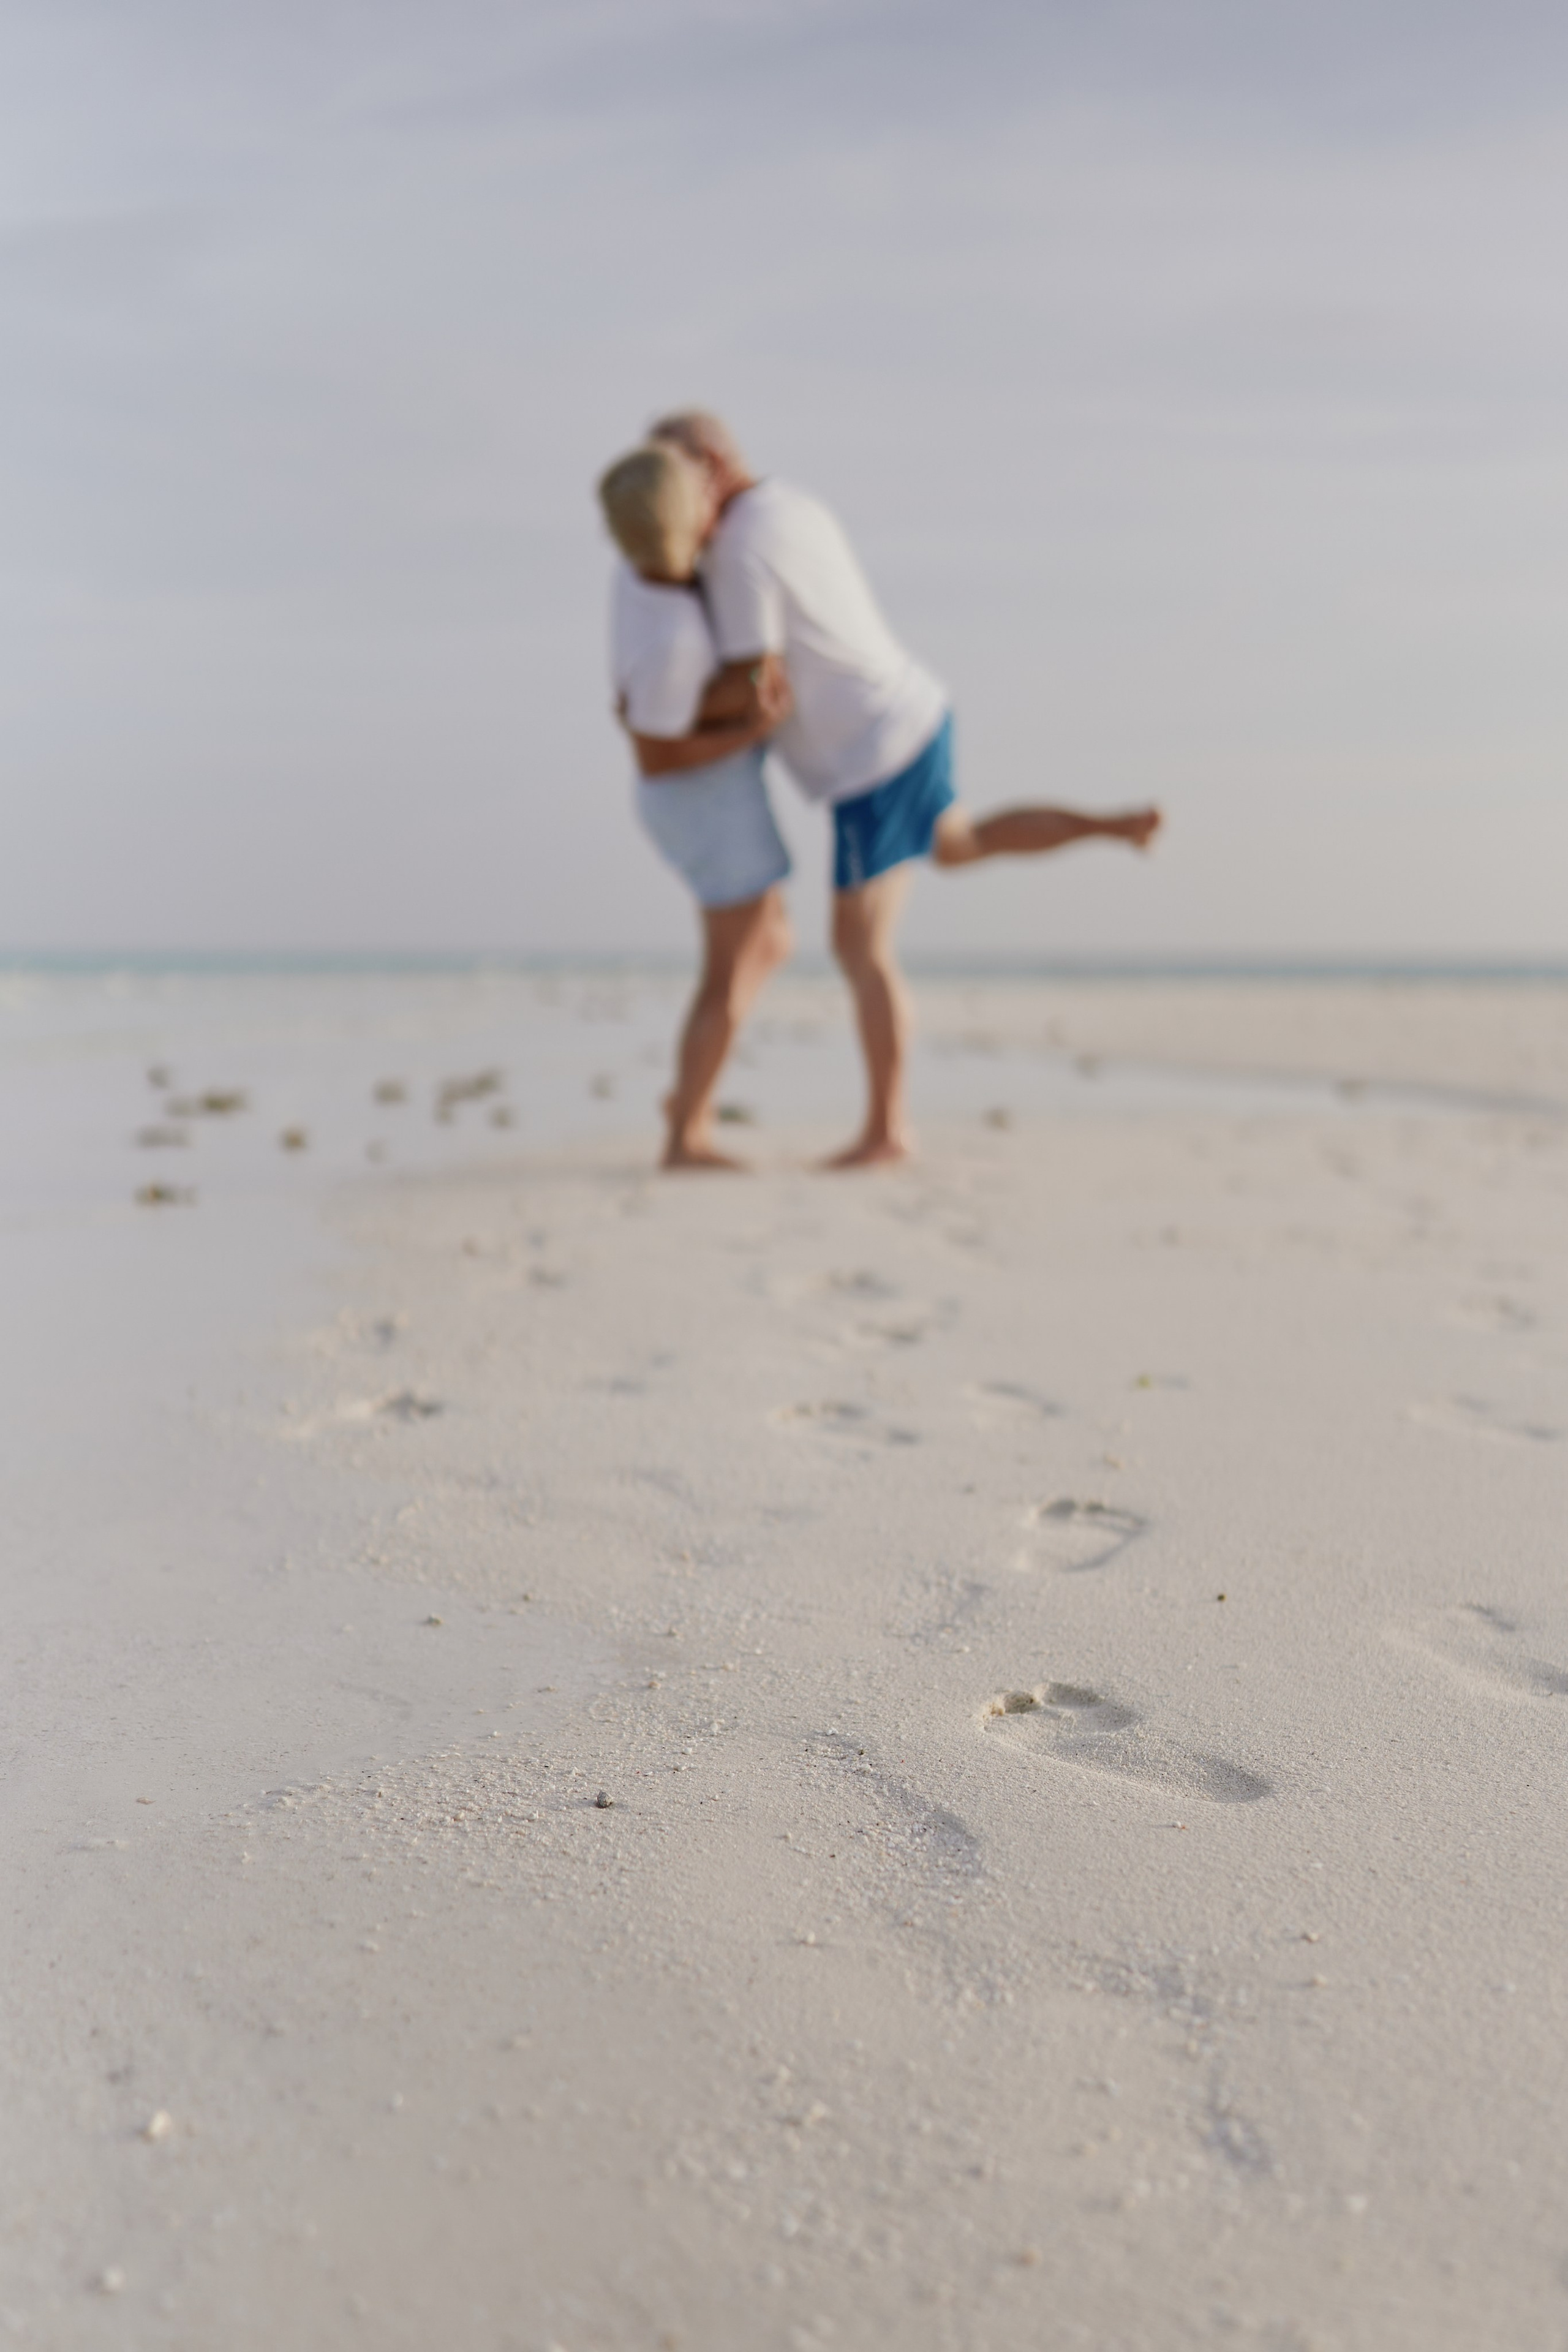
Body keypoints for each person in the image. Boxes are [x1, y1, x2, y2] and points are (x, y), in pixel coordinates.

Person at [648, 410, 1162, 1167]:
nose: (669, 505)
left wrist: (660, 717)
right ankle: (1108, 826)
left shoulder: (739, 551)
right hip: (912, 708)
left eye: (673, 484)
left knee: (861, 947)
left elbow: (756, 682)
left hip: (871, 759)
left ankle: (888, 1129)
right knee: (958, 845)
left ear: (712, 465)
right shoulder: (791, 502)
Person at [598, 442, 795, 1170]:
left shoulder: (639, 579)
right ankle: (687, 1131)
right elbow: (656, 754)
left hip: (697, 794)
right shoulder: (673, 641)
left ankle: (690, 1095)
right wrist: (750, 728)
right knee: (730, 965)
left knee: (772, 942)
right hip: (697, 799)